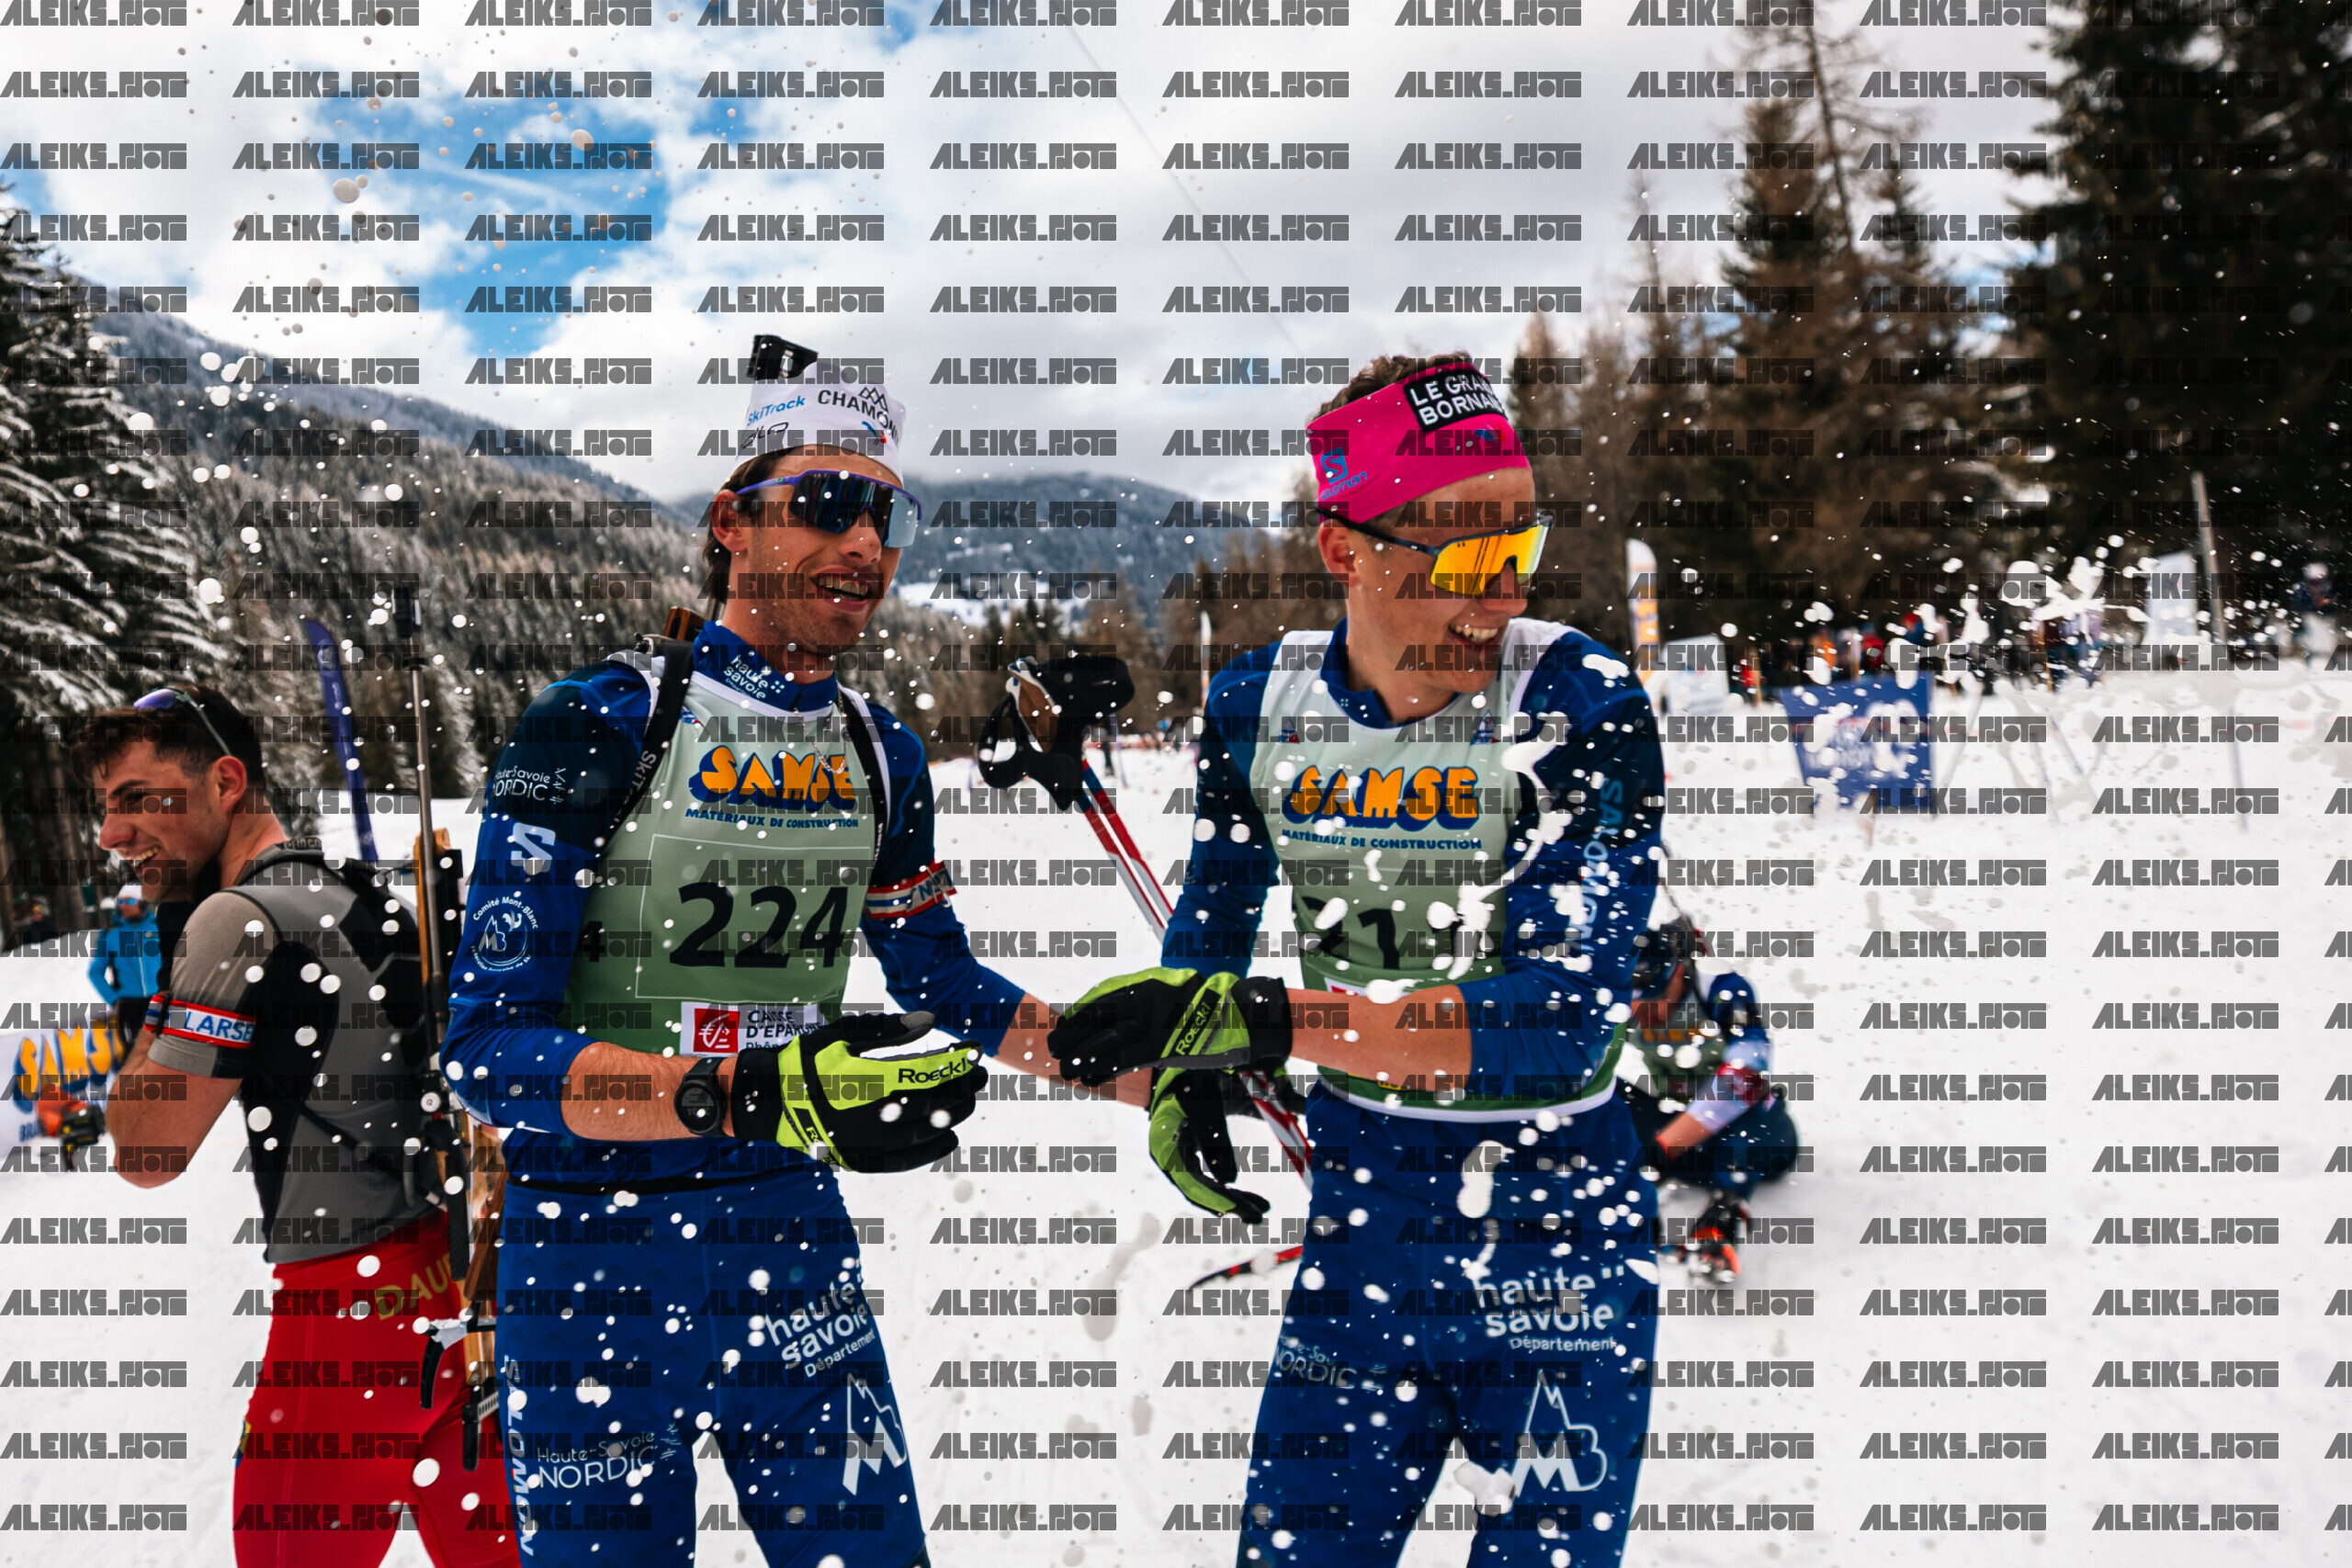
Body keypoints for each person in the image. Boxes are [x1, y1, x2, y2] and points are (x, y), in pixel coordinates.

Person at [441, 367, 1118, 1568]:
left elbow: (943, 983)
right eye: (824, 504)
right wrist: (735, 1090)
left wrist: (1140, 1067)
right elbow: (486, 1050)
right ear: (732, 522)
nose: (863, 543)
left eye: (886, 515)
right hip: (592, 1252)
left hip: (788, 1238)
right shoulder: (595, 723)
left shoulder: (880, 751)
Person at [1046, 353, 1665, 1568]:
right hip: (1367, 1208)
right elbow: (1214, 926)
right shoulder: (1256, 705)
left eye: (1520, 547)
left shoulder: (1575, 702)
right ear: (1345, 549)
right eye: (1464, 559)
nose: (1502, 594)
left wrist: (1280, 1023)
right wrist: (1186, 1067)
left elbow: (1560, 1015)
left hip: (1556, 1216)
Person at [73, 683, 519, 1568]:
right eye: (103, 806)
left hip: (347, 1314)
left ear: (225, 781)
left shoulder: (231, 919)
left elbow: (146, 1150)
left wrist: (162, 992)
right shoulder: (355, 889)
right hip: (455, 1288)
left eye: (136, 798)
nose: (111, 832)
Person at [1612, 917, 1797, 1282]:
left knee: (1755, 1097)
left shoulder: (1721, 988)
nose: (1643, 1013)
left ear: (1680, 971)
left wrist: (1661, 1150)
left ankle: (1723, 1220)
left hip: (1757, 1143)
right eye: (1633, 1003)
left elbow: (1748, 1073)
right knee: (1603, 1094)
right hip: (1681, 1143)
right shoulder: (1617, 997)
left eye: (1655, 999)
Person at [88, 880, 162, 1041]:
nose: (124, 906)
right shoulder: (109, 933)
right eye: (120, 902)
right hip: (129, 1005)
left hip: (159, 1000)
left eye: (130, 901)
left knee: (166, 1050)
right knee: (135, 1051)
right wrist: (113, 1000)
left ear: (142, 903)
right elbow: (95, 972)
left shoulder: (158, 927)